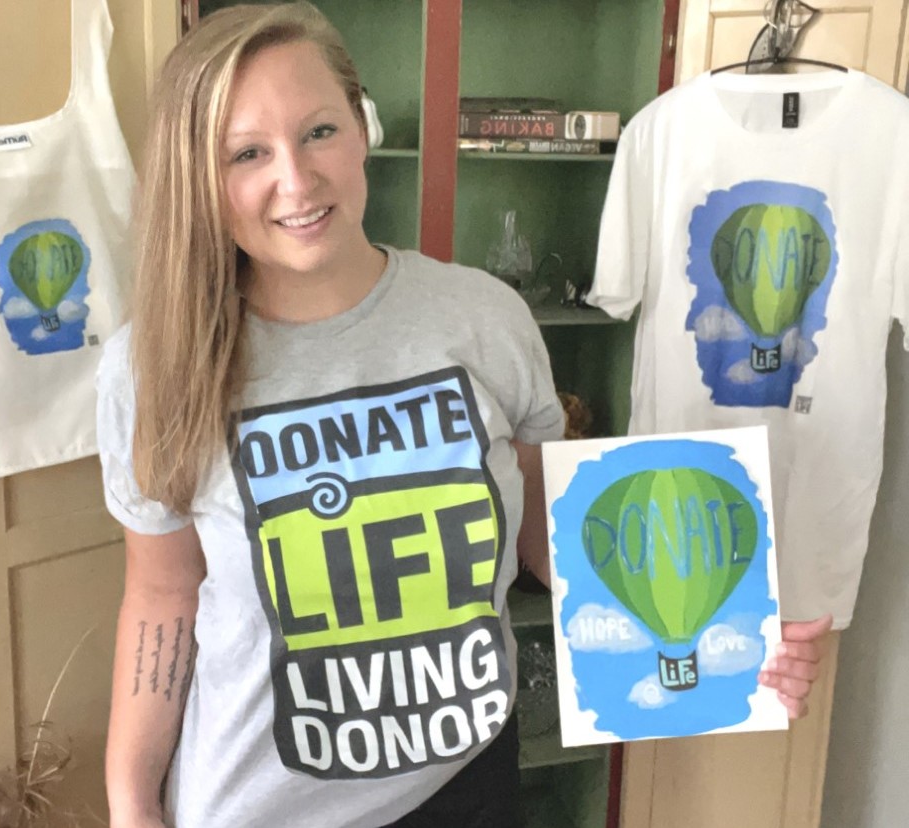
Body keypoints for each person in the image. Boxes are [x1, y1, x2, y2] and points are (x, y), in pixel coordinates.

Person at [96, 4, 830, 827]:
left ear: (362, 126)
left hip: (466, 785)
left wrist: (734, 636)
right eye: (247, 153)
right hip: (258, 807)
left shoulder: (483, 317)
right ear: (199, 172)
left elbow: (549, 535)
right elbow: (163, 599)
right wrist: (131, 804)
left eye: (319, 132)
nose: (297, 181)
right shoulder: (151, 365)